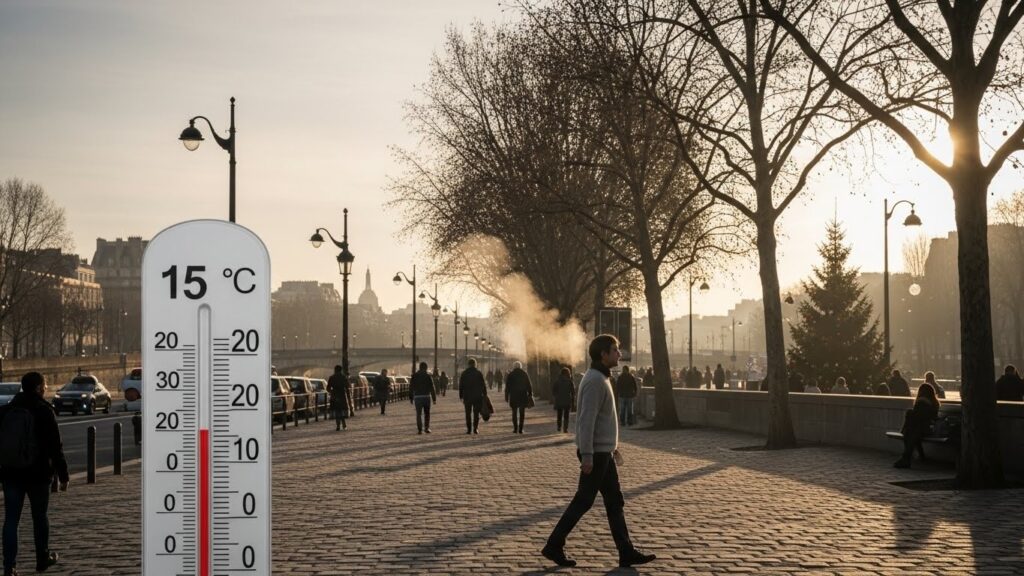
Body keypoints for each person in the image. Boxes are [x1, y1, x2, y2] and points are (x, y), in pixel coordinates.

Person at [542, 335, 656, 569]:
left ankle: (626, 551)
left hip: (603, 451)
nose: (619, 354)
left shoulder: (599, 378)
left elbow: (599, 420)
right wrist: (587, 455)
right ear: (603, 354)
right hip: (596, 452)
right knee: (583, 501)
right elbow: (586, 421)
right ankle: (554, 544)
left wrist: (611, 448)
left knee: (615, 501)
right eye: (615, 350)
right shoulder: (595, 381)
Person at [0, 372, 67, 575]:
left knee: (11, 519)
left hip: (11, 472)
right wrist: (63, 474)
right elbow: (56, 446)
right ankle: (42, 557)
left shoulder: (5, 410)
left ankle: (9, 566)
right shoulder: (44, 410)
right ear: (39, 387)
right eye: (44, 384)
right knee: (39, 516)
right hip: (38, 474)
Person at [894, 382, 940, 468]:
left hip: (922, 429)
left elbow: (918, 416)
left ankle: (906, 458)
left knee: (910, 432)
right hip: (926, 428)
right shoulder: (934, 403)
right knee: (912, 433)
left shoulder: (921, 402)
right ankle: (907, 458)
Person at [459, 358, 487, 434]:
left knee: (468, 413)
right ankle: (475, 428)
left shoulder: (464, 373)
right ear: (475, 364)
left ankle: (469, 429)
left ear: (468, 365)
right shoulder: (479, 373)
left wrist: (461, 396)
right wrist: (485, 394)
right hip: (477, 396)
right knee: (476, 413)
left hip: (467, 396)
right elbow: (483, 385)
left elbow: (461, 385)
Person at [505, 361, 534, 434]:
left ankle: (515, 429)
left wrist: (506, 396)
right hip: (522, 395)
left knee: (514, 413)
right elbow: (528, 385)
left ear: (514, 366)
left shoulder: (511, 374)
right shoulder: (524, 374)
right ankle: (521, 429)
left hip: (514, 395)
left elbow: (507, 386)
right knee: (522, 413)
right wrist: (530, 394)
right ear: (520, 366)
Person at [409, 362, 437, 434]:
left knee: (418, 414)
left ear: (420, 367)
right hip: (426, 396)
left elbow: (411, 387)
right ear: (426, 368)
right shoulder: (428, 376)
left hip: (417, 397)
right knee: (427, 413)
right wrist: (434, 398)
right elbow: (432, 387)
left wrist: (411, 397)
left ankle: (420, 429)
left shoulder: (414, 376)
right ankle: (426, 428)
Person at [552, 366, 575, 433]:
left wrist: (556, 396)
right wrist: (573, 401)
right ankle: (565, 428)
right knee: (566, 415)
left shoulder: (557, 381)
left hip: (559, 400)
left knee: (559, 414)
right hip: (567, 400)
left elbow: (554, 391)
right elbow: (573, 392)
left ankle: (559, 427)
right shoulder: (570, 381)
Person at [327, 365, 350, 431]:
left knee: (337, 411)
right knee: (341, 411)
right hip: (342, 395)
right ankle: (343, 424)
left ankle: (338, 425)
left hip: (334, 395)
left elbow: (328, 388)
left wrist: (332, 392)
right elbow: (347, 386)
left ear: (335, 370)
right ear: (341, 370)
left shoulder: (331, 377)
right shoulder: (343, 377)